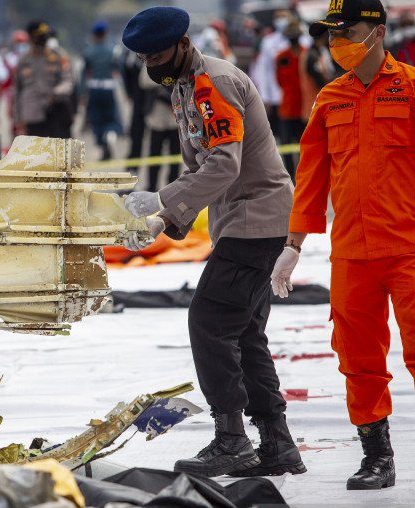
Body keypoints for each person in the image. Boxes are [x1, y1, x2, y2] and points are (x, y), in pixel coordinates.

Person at [121, 6, 303, 478]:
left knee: (209, 322)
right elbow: (205, 166)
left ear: (183, 43)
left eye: (158, 53)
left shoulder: (213, 83)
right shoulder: (186, 85)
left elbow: (224, 165)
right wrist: (168, 212)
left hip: (256, 221)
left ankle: (232, 439)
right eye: (144, 58)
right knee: (244, 333)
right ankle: (277, 443)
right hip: (246, 220)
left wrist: (164, 209)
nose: (151, 64)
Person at [272, 0, 413, 490]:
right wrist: (293, 244)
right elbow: (310, 175)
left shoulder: (412, 88)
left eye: (345, 32)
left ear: (376, 32)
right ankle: (377, 456)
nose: (336, 44)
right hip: (352, 251)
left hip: (409, 247)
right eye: (330, 35)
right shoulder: (330, 98)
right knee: (357, 357)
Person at [12, 21, 74, 138]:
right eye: (38, 36)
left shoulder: (58, 56)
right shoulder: (23, 60)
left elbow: (67, 81)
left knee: (58, 150)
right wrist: (18, 118)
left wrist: (56, 92)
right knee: (37, 152)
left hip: (55, 110)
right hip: (32, 113)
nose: (42, 39)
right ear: (30, 37)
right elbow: (17, 90)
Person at [250, 11, 294, 136]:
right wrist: (265, 96)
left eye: (284, 17)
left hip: (295, 92)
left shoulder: (302, 39)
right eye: (279, 18)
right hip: (276, 93)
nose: (282, 21)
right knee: (281, 132)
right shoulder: (268, 41)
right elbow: (263, 70)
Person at [82, 21, 122, 160]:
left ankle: (101, 141)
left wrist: (82, 93)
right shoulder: (113, 50)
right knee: (110, 115)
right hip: (108, 87)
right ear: (105, 34)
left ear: (94, 35)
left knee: (96, 118)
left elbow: (84, 73)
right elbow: (119, 70)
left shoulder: (88, 51)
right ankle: (110, 134)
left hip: (93, 87)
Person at [141, 68, 180, 191]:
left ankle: (173, 189)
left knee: (175, 157)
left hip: (175, 119)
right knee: (154, 155)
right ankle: (152, 187)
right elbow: (143, 81)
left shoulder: (177, 62)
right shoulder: (152, 61)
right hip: (157, 118)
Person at [275, 23, 306, 181]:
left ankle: (304, 177)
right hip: (287, 108)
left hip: (304, 109)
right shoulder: (282, 57)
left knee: (305, 148)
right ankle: (291, 179)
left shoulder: (306, 54)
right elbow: (279, 80)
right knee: (287, 147)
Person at [300, 32, 337, 121]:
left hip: (319, 98)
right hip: (314, 97)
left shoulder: (321, 51)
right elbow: (319, 80)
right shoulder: (312, 55)